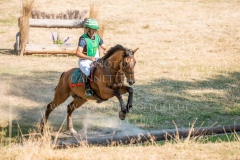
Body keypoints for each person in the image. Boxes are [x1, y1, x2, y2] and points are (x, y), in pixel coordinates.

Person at [76, 18, 108, 98]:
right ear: (87, 29)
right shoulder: (83, 39)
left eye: (95, 30)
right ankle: (87, 89)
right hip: (84, 60)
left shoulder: (97, 37)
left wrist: (106, 50)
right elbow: (78, 53)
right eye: (92, 30)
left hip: (94, 59)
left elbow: (105, 47)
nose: (94, 32)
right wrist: (89, 58)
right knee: (88, 71)